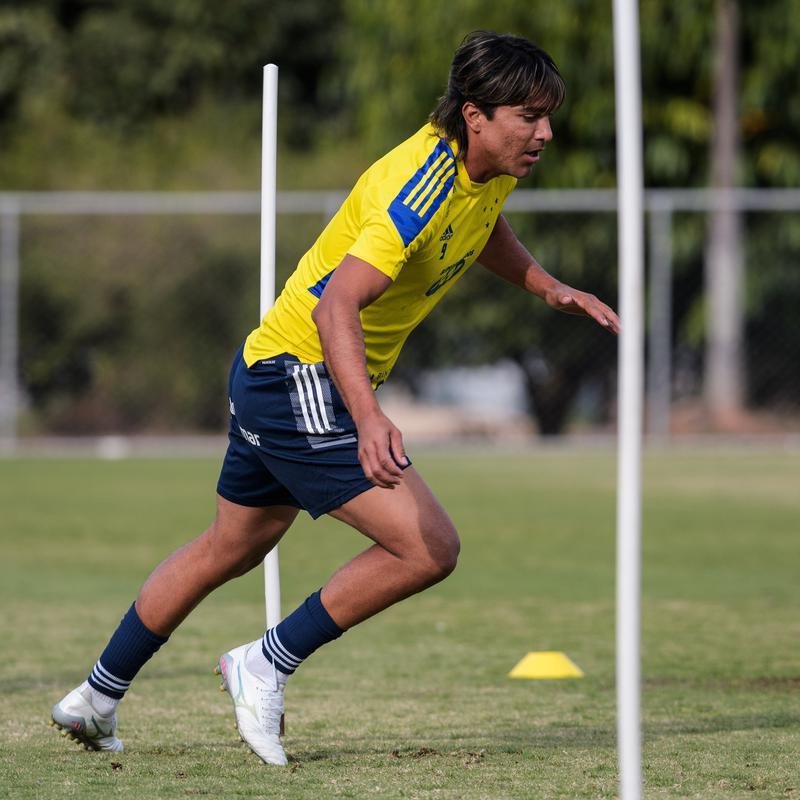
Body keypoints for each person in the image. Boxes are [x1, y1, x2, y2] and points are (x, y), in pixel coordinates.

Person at [51, 30, 620, 765]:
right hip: (300, 372)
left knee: (232, 546)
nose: (544, 132)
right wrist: (367, 416)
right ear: (474, 114)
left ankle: (95, 697)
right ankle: (265, 662)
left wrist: (548, 286)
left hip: (270, 369)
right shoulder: (418, 183)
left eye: (549, 115)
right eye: (527, 116)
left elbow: (479, 228)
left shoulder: (489, 168)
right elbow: (336, 308)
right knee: (427, 546)